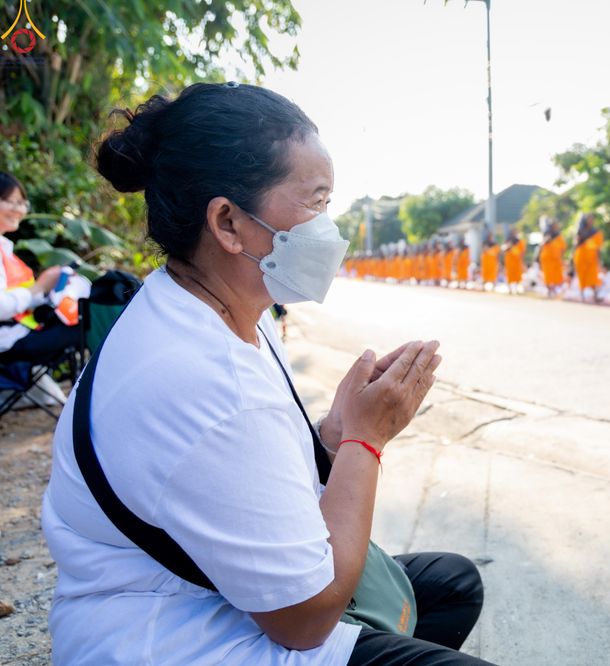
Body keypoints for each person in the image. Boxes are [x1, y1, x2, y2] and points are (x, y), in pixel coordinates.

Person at [42, 83, 490, 666]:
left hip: (215, 586)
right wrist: (364, 440)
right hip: (175, 633)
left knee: (451, 583)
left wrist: (331, 434)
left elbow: (252, 469)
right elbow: (305, 619)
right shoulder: (206, 376)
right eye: (316, 202)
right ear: (228, 222)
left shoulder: (218, 310)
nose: (329, 229)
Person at [0, 172, 82, 366]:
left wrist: (50, 285)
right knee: (88, 323)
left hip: (18, 331)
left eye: (22, 203)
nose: (19, 209)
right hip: (8, 340)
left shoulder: (5, 248)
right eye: (10, 201)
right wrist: (38, 288)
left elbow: (21, 298)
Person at [572, 213, 603, 303]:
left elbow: (598, 247)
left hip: (592, 258)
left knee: (593, 277)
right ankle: (582, 295)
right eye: (589, 219)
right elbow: (576, 244)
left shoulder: (595, 232)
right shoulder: (580, 231)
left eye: (592, 219)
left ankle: (595, 295)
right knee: (582, 276)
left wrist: (599, 259)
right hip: (581, 256)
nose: (591, 221)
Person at [538, 218, 566, 297]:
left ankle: (554, 290)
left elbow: (563, 247)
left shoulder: (558, 235)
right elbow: (541, 246)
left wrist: (561, 256)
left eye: (556, 225)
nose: (555, 227)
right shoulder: (546, 234)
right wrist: (546, 240)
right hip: (547, 258)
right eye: (554, 225)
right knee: (547, 275)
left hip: (556, 259)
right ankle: (549, 290)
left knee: (557, 275)